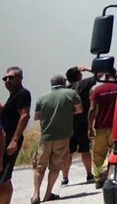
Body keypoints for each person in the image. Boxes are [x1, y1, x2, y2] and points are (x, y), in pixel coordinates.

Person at [32, 74, 82, 204]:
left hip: (46, 137)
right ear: (64, 82)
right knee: (55, 167)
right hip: (62, 136)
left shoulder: (42, 98)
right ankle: (48, 193)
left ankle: (36, 195)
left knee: (39, 167)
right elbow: (79, 109)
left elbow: (37, 117)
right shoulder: (71, 93)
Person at [1, 67, 31, 204]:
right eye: (5, 78)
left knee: (4, 176)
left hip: (10, 141)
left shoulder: (23, 94)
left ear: (20, 78)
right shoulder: (13, 96)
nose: (7, 80)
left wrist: (14, 140)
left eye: (11, 77)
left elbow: (24, 116)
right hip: (5, 141)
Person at [61, 67, 94, 185]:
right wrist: (87, 68)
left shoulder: (65, 89)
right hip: (82, 123)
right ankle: (89, 174)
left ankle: (65, 178)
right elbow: (99, 75)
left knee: (68, 152)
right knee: (85, 150)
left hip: (68, 125)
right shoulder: (83, 84)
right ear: (79, 76)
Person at [87, 68, 117, 189]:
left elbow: (92, 110)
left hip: (100, 127)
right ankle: (107, 170)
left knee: (98, 154)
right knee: (114, 150)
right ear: (115, 75)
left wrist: (89, 127)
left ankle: (99, 178)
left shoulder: (97, 91)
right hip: (116, 127)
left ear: (104, 76)